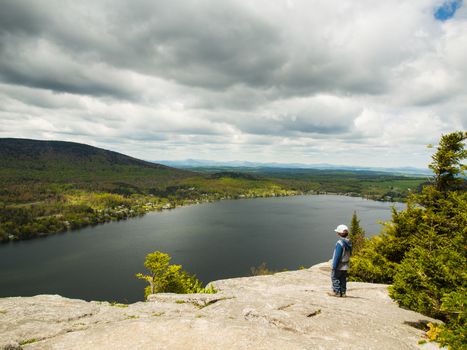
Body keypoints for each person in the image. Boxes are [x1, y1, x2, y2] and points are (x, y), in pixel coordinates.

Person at [330, 224, 352, 297]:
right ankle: (343, 292)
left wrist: (334, 265)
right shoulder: (349, 242)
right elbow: (350, 253)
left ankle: (337, 292)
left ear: (339, 233)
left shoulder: (340, 243)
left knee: (335, 277)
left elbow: (337, 256)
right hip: (346, 264)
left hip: (339, 264)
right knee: (343, 279)